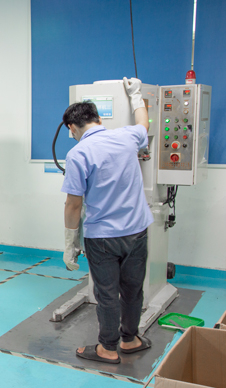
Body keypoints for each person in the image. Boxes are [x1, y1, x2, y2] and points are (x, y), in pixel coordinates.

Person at [62, 78, 154, 364]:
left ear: (72, 128)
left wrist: (70, 243)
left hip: (102, 238)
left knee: (107, 294)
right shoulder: (127, 136)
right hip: (137, 231)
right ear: (99, 119)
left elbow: (73, 204)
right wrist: (135, 95)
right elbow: (144, 123)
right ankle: (130, 339)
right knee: (133, 291)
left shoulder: (78, 153)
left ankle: (107, 348)